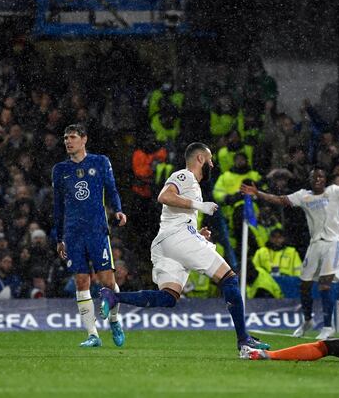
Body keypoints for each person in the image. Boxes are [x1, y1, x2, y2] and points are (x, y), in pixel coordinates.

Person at [99, 142, 270, 354]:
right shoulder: (185, 176)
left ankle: (114, 296)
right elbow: (164, 196)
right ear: (200, 159)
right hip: (177, 239)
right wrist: (200, 206)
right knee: (230, 279)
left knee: (168, 297)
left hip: (168, 243)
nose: (212, 164)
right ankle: (244, 340)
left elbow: (175, 217)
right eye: (210, 159)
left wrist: (198, 235)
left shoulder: (194, 186)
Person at [241, 162, 339, 340]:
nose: (318, 179)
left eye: (321, 177)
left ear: (325, 180)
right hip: (315, 244)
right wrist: (257, 193)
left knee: (325, 284)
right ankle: (307, 321)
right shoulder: (304, 196)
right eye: (315, 177)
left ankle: (327, 326)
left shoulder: (333, 191)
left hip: (332, 244)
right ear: (309, 180)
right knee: (304, 285)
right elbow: (280, 200)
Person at [51, 123, 127, 348]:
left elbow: (111, 189)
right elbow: (57, 206)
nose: (67, 141)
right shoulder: (60, 170)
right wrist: (59, 237)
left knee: (107, 281)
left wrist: (119, 209)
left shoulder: (100, 162)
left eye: (72, 137)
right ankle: (92, 334)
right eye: (65, 138)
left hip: (96, 230)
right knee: (81, 281)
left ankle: (114, 320)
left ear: (84, 139)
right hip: (73, 233)